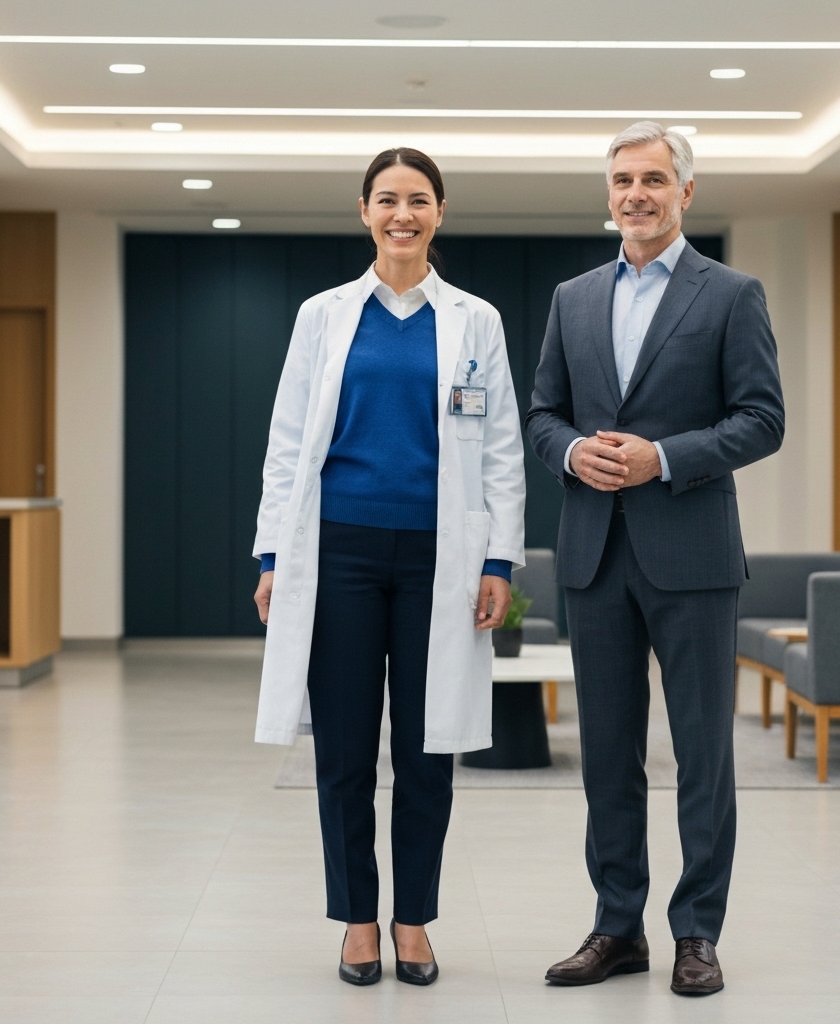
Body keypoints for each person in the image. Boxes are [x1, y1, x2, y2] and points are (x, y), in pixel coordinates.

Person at [252, 148, 526, 987]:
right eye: (386, 200)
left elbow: (504, 450)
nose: (401, 214)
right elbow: (289, 441)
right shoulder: (323, 315)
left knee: (426, 747)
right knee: (342, 750)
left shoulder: (475, 319)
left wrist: (499, 560)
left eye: (417, 200)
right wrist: (271, 555)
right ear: (363, 211)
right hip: (337, 552)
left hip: (439, 559)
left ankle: (414, 921)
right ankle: (357, 922)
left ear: (440, 212)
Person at [526, 121, 784, 996]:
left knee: (703, 753)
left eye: (653, 178)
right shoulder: (573, 298)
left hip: (694, 555)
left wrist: (662, 458)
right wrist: (570, 454)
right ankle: (616, 925)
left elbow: (762, 419)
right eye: (622, 179)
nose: (635, 193)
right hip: (595, 554)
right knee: (607, 754)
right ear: (609, 193)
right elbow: (541, 413)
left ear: (685, 191)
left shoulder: (731, 294)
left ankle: (697, 932)